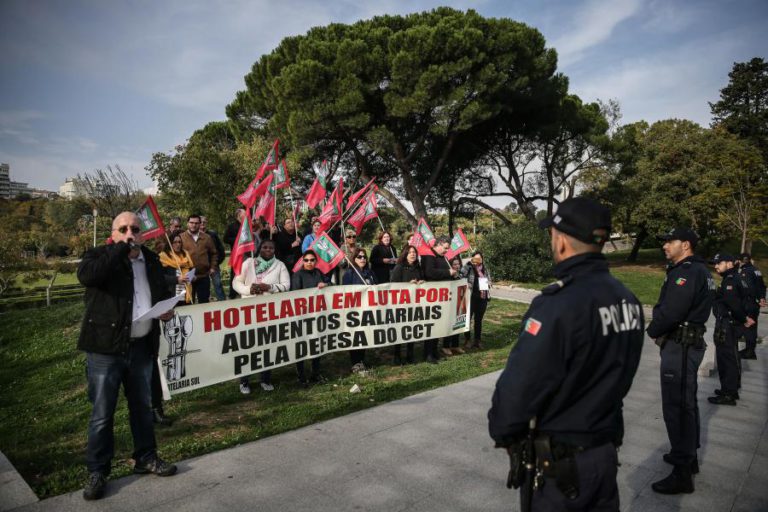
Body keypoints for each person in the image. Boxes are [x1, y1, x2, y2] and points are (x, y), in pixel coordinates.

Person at [488, 197, 644, 512]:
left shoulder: (558, 305)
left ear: (560, 241)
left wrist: (504, 431)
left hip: (562, 468)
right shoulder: (627, 300)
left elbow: (519, 390)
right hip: (603, 454)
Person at [77, 212, 178, 501]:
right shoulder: (100, 255)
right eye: (123, 229)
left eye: (135, 228)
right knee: (101, 414)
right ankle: (98, 471)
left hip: (141, 346)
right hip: (106, 350)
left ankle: (146, 457)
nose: (130, 233)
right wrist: (120, 249)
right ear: (114, 233)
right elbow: (88, 277)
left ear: (144, 233)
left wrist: (164, 310)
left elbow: (157, 293)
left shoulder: (150, 259)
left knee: (142, 408)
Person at [646, 227, 715, 495]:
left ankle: (682, 472)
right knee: (686, 404)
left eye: (669, 241)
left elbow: (672, 310)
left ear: (685, 245)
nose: (664, 245)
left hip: (681, 345)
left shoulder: (687, 272)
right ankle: (686, 455)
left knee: (677, 405)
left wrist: (652, 331)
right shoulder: (698, 270)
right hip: (685, 343)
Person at [233, 239, 290, 394]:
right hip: (249, 310)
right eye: (265, 247)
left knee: (266, 345)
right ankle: (244, 381)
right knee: (248, 345)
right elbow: (235, 282)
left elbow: (286, 285)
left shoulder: (280, 265)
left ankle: (265, 379)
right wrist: (248, 290)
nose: (268, 250)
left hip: (269, 311)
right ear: (259, 248)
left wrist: (269, 287)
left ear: (274, 250)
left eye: (271, 248)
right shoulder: (249, 263)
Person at [708, 253, 750, 405]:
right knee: (729, 357)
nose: (716, 266)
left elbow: (734, 304)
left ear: (730, 263)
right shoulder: (732, 278)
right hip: (729, 323)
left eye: (719, 263)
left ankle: (729, 394)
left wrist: (744, 319)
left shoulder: (730, 281)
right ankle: (729, 389)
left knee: (727, 359)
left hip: (728, 324)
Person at [292, 249, 330, 386]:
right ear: (303, 261)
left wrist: (325, 284)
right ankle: (301, 376)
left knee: (316, 344)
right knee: (301, 346)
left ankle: (315, 373)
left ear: (316, 261)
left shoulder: (318, 272)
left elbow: (330, 285)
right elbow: (295, 295)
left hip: (317, 315)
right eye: (306, 260)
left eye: (312, 260)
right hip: (303, 316)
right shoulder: (298, 275)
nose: (309, 262)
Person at [421, 236, 458, 363]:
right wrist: (448, 272)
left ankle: (434, 350)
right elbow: (429, 273)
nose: (446, 251)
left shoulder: (443, 257)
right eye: (445, 248)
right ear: (439, 244)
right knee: (432, 326)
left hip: (443, 296)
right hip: (432, 296)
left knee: (439, 325)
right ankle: (428, 353)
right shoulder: (429, 256)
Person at [390, 245, 424, 364]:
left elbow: (422, 280)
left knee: (412, 330)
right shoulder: (399, 267)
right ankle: (397, 356)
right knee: (400, 330)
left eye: (414, 252)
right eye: (410, 252)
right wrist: (407, 284)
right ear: (405, 254)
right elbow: (393, 285)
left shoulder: (418, 268)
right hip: (401, 304)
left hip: (414, 304)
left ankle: (410, 355)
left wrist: (422, 283)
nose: (412, 254)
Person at [343, 247, 376, 372]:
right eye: (359, 257)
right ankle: (355, 362)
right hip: (355, 310)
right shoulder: (349, 274)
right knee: (356, 336)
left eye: (364, 257)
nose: (362, 259)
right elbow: (345, 292)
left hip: (368, 309)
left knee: (365, 335)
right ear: (354, 259)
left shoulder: (370, 273)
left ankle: (362, 359)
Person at [180, 214, 218, 304]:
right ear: (187, 224)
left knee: (204, 303)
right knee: (188, 303)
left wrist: (213, 267)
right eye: (191, 223)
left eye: (196, 223)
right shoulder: (181, 237)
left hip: (203, 276)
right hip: (187, 277)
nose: (194, 225)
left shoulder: (206, 237)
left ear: (200, 224)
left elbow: (214, 253)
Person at [460, 251, 492, 351]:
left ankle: (477, 340)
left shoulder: (485, 268)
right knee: (468, 319)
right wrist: (467, 283)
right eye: (476, 258)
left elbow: (489, 278)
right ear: (472, 258)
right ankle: (467, 340)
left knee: (478, 320)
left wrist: (489, 282)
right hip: (470, 296)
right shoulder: (468, 266)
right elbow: (461, 276)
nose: (478, 261)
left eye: (480, 258)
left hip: (482, 297)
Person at [737, 252, 765, 359]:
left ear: (740, 261)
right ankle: (750, 350)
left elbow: (747, 288)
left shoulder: (745, 272)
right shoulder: (756, 270)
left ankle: (749, 352)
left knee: (748, 326)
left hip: (748, 302)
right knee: (752, 327)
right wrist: (762, 297)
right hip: (754, 303)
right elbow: (761, 286)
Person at [159, 230, 195, 304]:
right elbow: (160, 277)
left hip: (187, 292)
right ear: (170, 243)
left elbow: (191, 269)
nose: (178, 244)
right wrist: (177, 279)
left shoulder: (186, 254)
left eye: (179, 242)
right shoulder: (163, 256)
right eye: (175, 242)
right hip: (171, 294)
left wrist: (193, 277)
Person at [441, 256, 464, 357]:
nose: (457, 266)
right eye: (454, 264)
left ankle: (455, 345)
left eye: (458, 264)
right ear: (450, 265)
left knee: (458, 323)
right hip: (449, 303)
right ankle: (445, 346)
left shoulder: (461, 274)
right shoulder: (448, 275)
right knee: (448, 324)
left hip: (459, 303)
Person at [200, 216, 227, 301]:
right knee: (204, 287)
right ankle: (205, 305)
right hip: (201, 266)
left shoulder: (212, 234)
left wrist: (217, 262)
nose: (203, 224)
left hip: (213, 265)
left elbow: (220, 249)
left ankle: (223, 303)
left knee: (218, 284)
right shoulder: (194, 236)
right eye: (201, 222)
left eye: (204, 222)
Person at [224, 208, 247, 299]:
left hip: (247, 253)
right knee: (236, 274)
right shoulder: (232, 226)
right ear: (239, 215)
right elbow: (225, 239)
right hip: (237, 254)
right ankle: (233, 294)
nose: (246, 215)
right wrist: (237, 240)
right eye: (244, 213)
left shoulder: (247, 225)